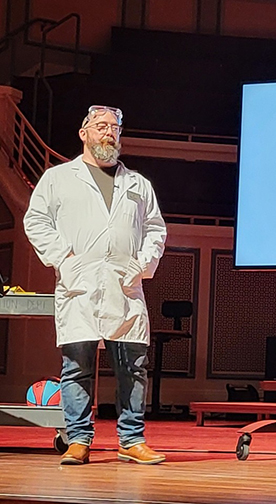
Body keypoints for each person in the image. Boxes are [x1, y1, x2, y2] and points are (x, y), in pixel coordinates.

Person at [23, 105, 168, 465]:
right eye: (101, 126)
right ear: (83, 132)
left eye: (115, 128)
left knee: (132, 367)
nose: (109, 133)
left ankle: (131, 439)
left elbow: (155, 229)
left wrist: (144, 264)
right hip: (79, 285)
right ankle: (78, 440)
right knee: (77, 366)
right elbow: (36, 220)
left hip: (125, 285)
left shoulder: (138, 184)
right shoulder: (58, 178)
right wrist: (65, 257)